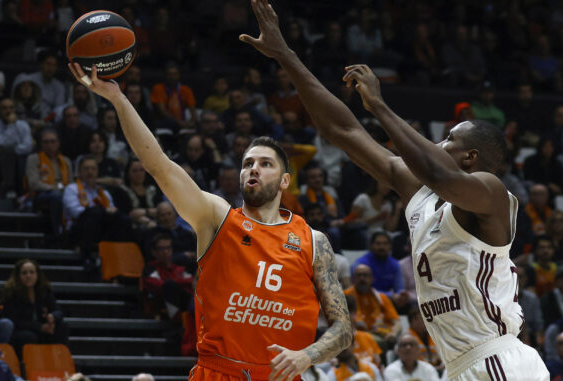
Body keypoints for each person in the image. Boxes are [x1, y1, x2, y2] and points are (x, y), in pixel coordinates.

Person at [239, 1, 548, 379]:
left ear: (470, 157)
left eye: (449, 139)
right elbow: (344, 131)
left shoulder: (491, 192)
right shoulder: (419, 187)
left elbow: (442, 176)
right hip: (459, 364)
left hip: (497, 358)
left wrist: (380, 107)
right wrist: (285, 56)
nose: (439, 142)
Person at [69, 59, 351, 380]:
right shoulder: (217, 218)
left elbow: (343, 328)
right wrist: (118, 99)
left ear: (286, 180)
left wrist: (306, 355)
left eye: (265, 163)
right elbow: (159, 165)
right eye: (247, 163)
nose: (253, 169)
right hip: (219, 371)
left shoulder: (314, 241)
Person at [0, 259, 68, 354]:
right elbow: (13, 320)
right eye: (24, 273)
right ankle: (25, 365)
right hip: (21, 331)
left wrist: (52, 317)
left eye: (32, 272)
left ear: (37, 274)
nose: (28, 276)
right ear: (18, 276)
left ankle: (60, 360)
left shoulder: (44, 290)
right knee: (29, 336)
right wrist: (39, 327)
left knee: (61, 327)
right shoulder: (11, 293)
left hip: (42, 328)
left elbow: (58, 311)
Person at [344, 264, 401, 347]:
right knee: (377, 342)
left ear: (372, 279)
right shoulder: (345, 296)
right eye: (359, 275)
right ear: (353, 279)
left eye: (365, 275)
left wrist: (393, 334)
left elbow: (397, 322)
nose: (362, 278)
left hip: (382, 334)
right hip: (355, 335)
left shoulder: (381, 298)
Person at [142, 233, 194, 320]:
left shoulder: (179, 268)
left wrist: (173, 282)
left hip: (182, 301)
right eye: (161, 248)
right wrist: (176, 282)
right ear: (154, 252)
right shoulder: (150, 268)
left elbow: (191, 283)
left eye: (168, 248)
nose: (165, 251)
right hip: (160, 302)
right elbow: (155, 285)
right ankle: (177, 319)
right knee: (169, 286)